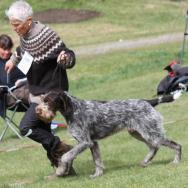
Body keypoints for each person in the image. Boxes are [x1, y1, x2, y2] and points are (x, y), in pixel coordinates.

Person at [5, 0, 76, 177]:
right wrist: (13, 60)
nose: (14, 28)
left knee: (26, 127)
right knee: (42, 132)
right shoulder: (25, 34)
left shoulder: (47, 35)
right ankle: (65, 169)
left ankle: (62, 148)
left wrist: (65, 58)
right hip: (37, 91)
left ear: (28, 21)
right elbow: (23, 50)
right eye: (11, 24)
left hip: (52, 92)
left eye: (16, 24)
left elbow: (69, 54)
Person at [0, 34, 27, 117]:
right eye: (4, 49)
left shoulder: (16, 58)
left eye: (9, 49)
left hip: (26, 90)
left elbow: (31, 75)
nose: (7, 52)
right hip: (9, 97)